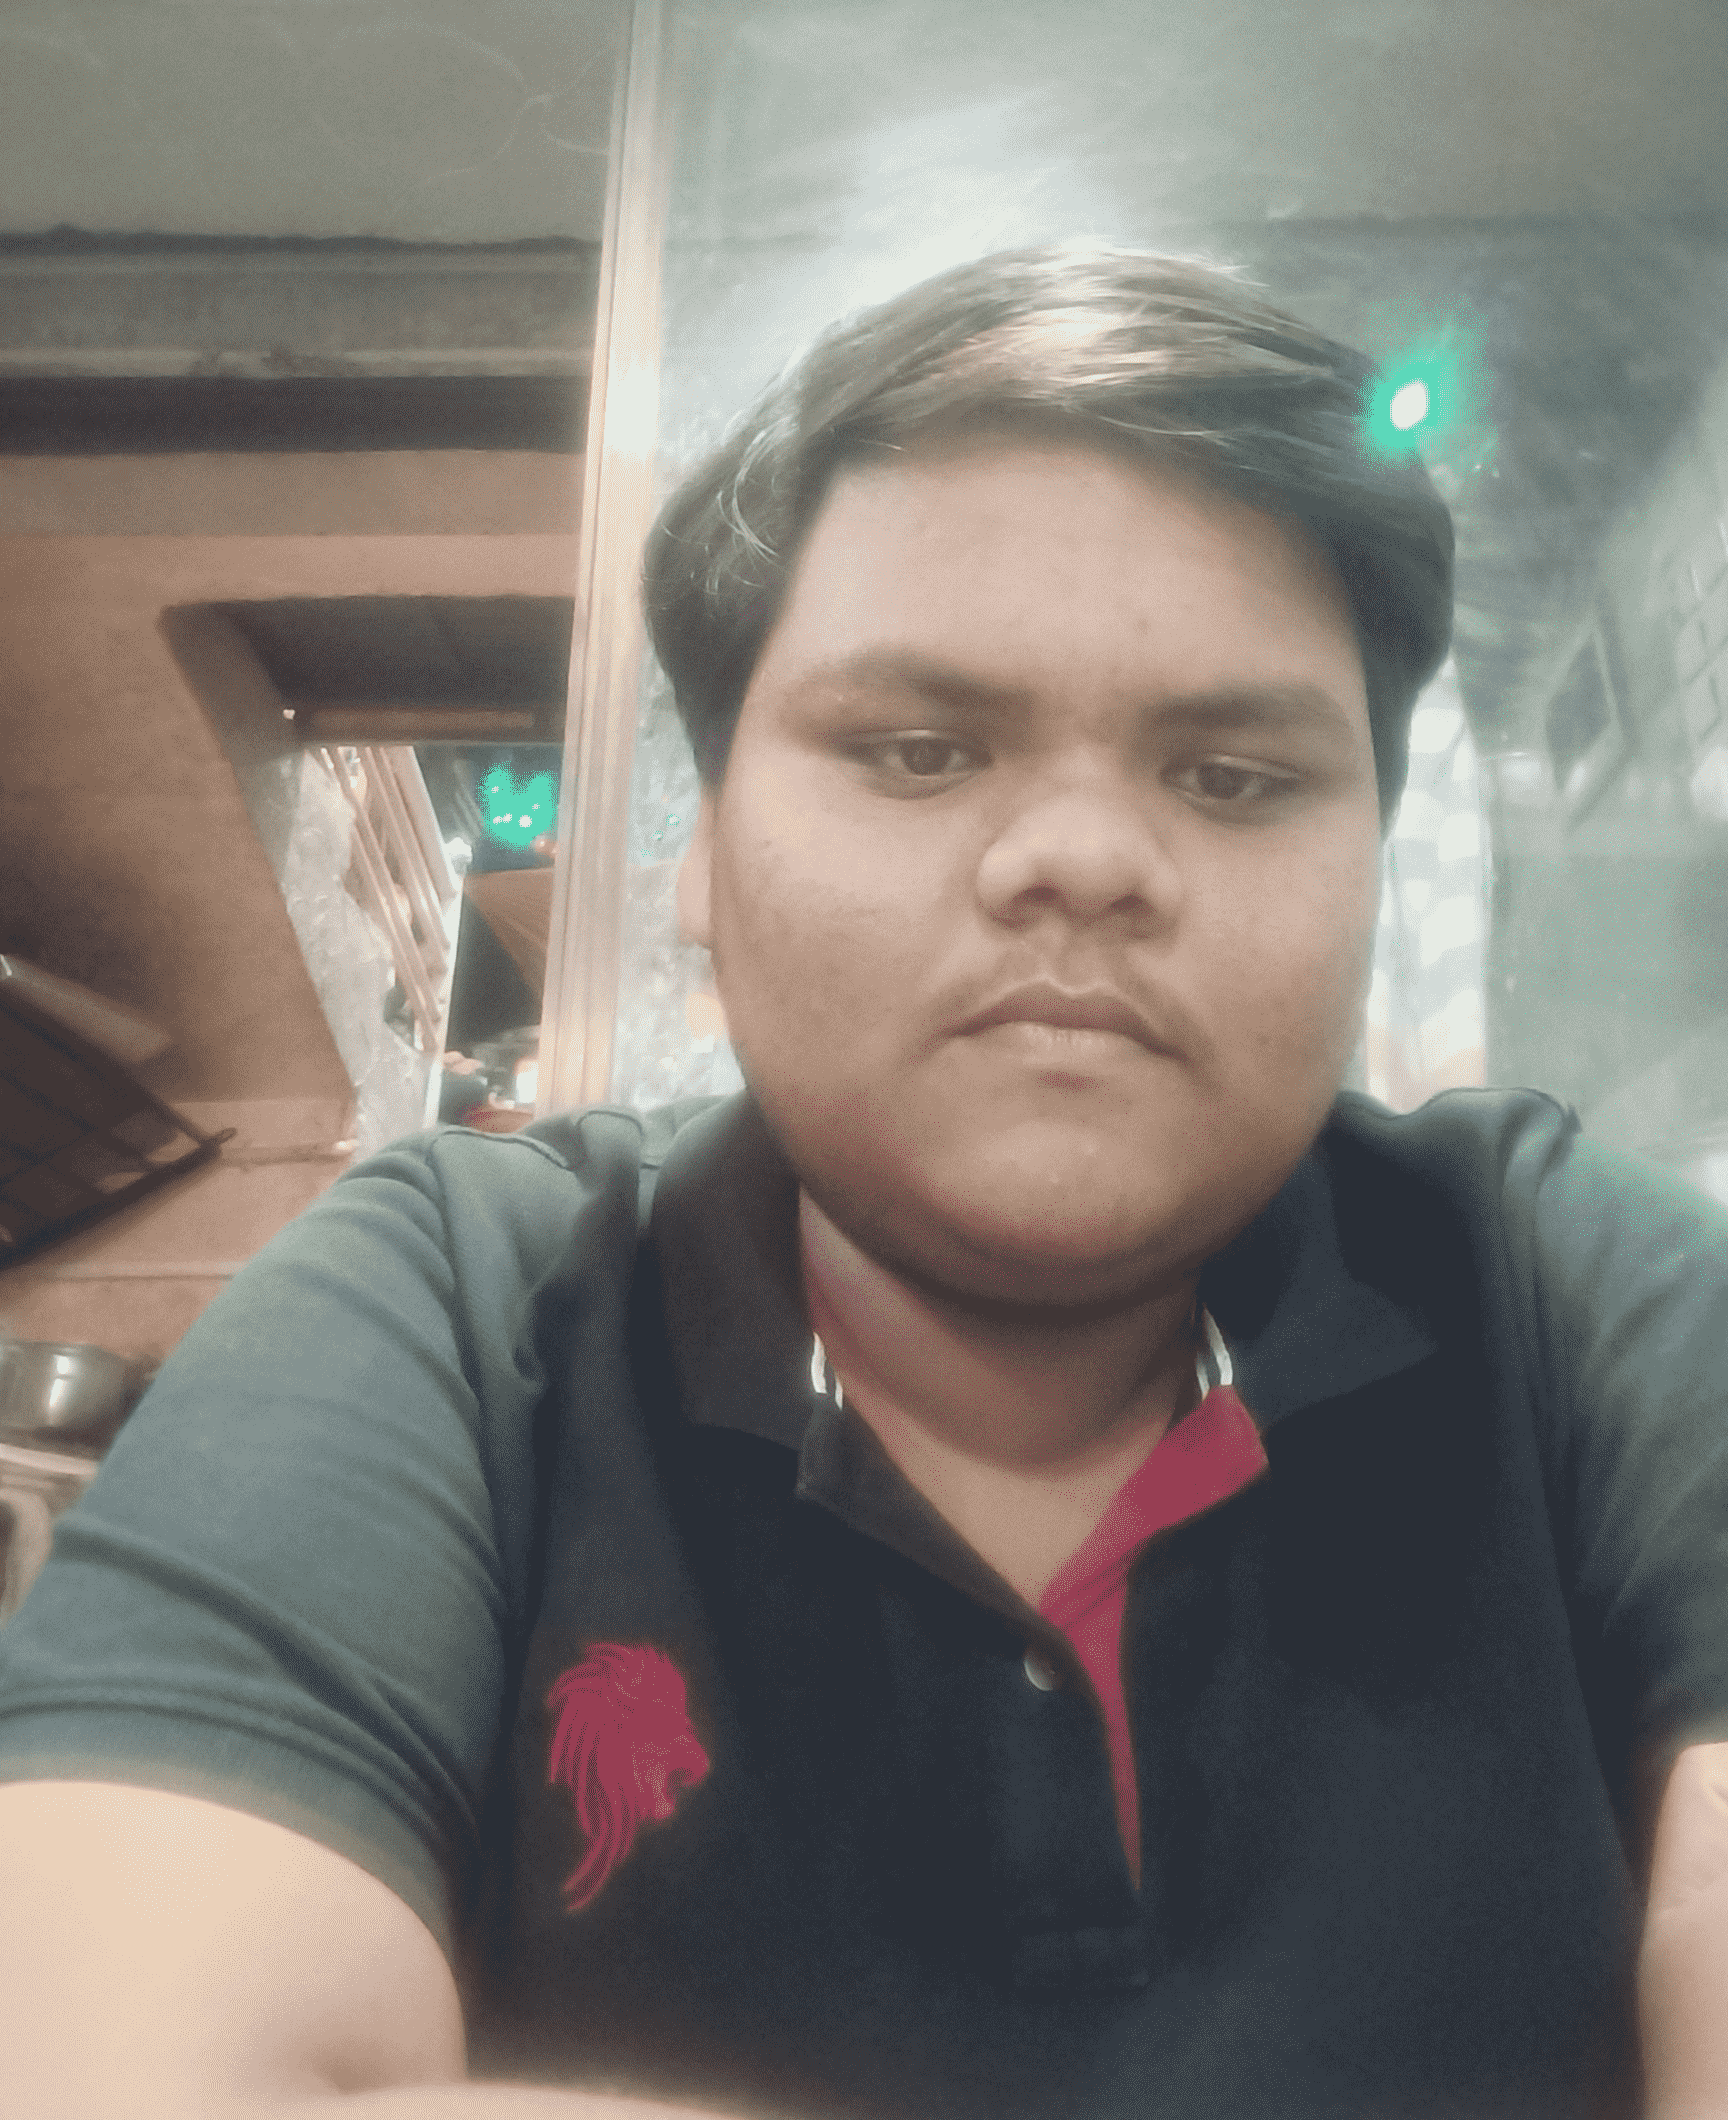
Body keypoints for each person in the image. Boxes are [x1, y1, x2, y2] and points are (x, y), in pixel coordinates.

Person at [1, 247, 1725, 2120]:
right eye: (919, 751)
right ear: (700, 855)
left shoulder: (1571, 1288)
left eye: (1234, 777)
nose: (1082, 855)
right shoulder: (455, 1309)